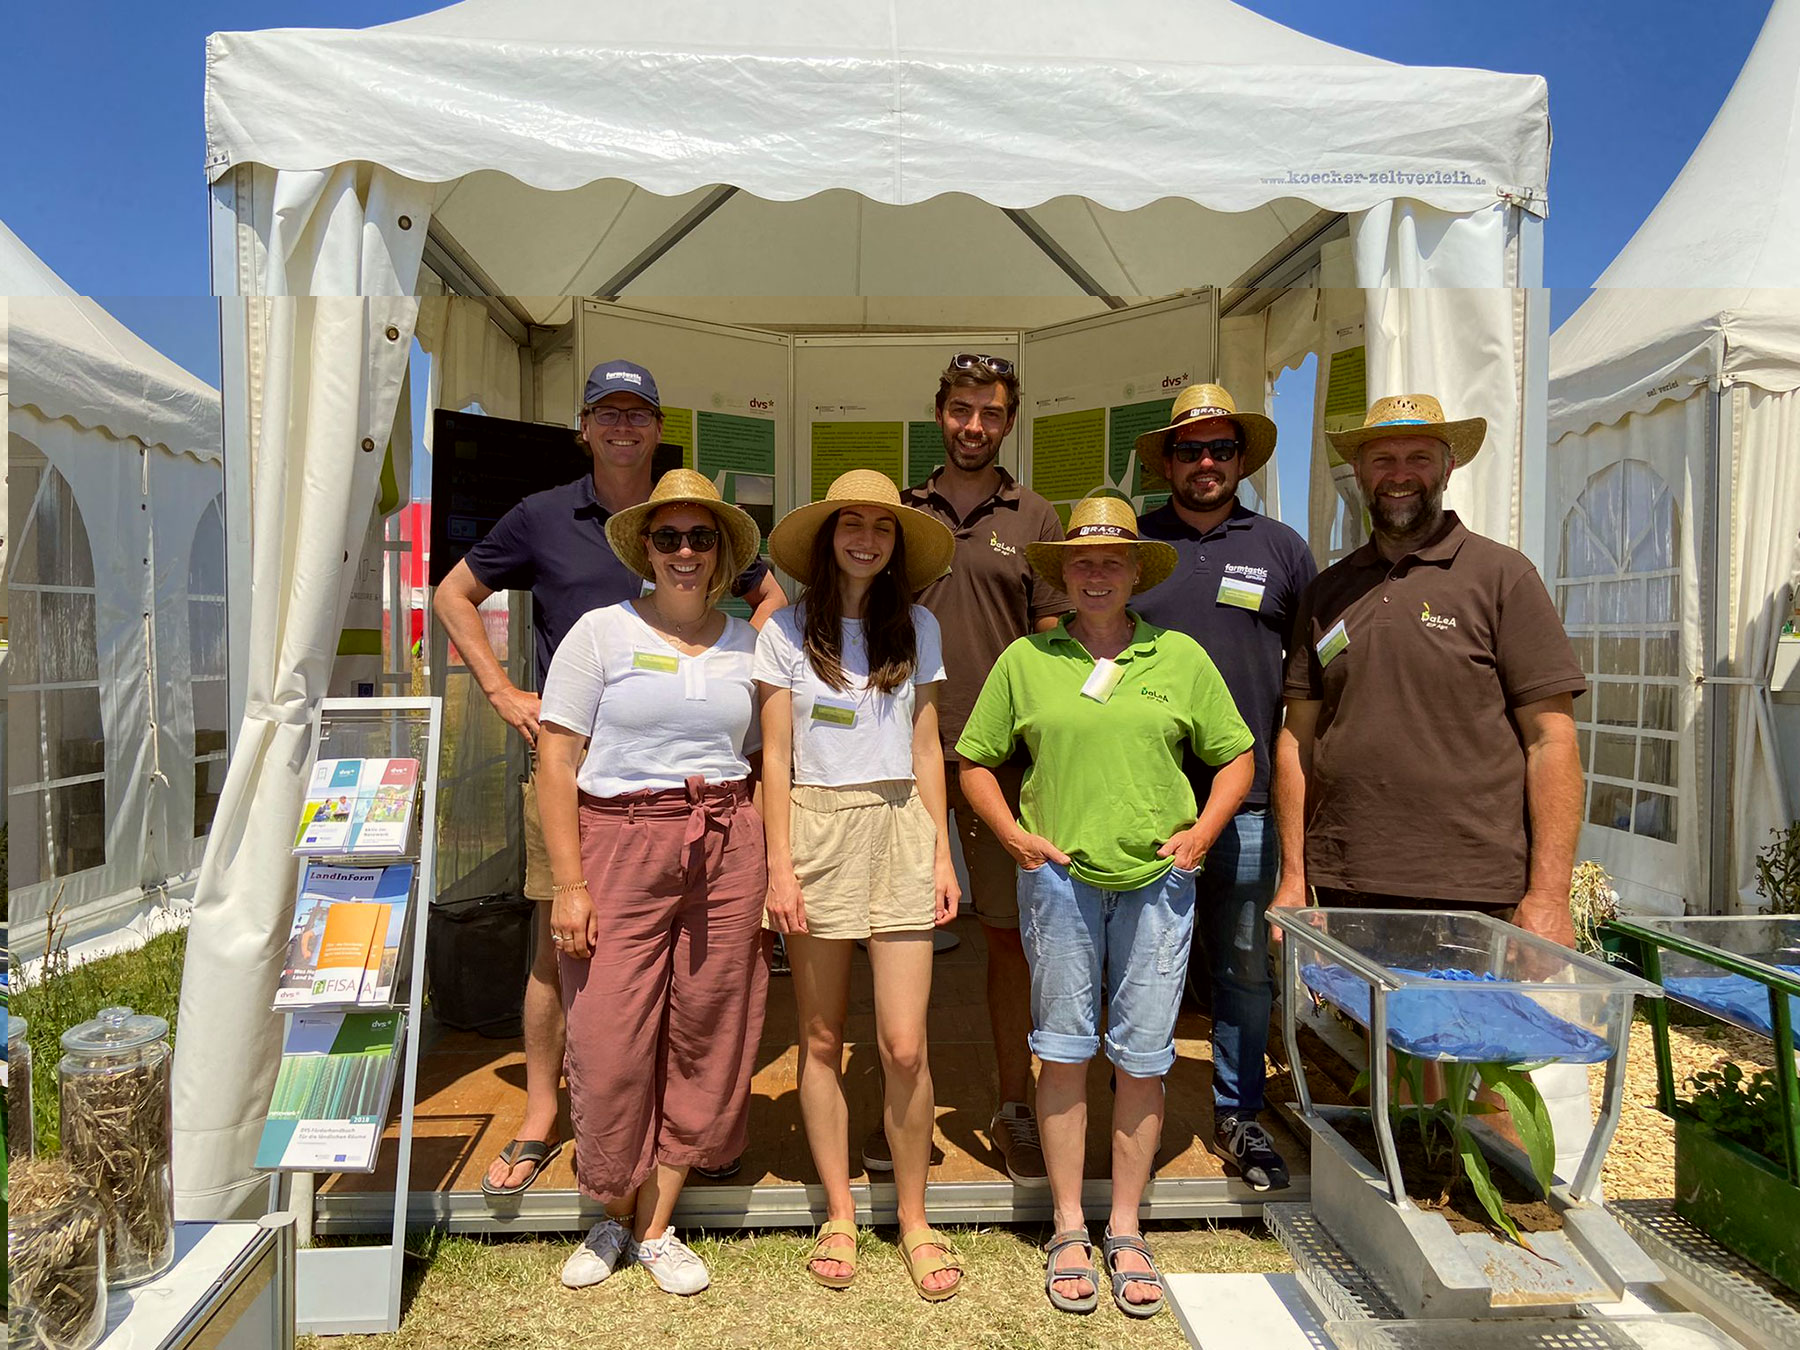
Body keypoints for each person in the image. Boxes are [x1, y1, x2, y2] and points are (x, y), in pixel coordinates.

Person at [433, 359, 786, 1196]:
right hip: (578, 767)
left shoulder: (690, 517)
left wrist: (746, 664)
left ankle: (673, 1130)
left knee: (693, 974)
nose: (624, 427)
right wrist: (499, 688)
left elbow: (772, 600)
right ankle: (544, 1117)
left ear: (659, 428)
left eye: (639, 414)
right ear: (584, 428)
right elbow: (453, 594)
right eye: (607, 413)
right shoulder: (543, 516)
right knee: (564, 946)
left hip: (690, 786)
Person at [956, 493, 1255, 1319]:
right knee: (1060, 1050)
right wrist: (1014, 835)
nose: (1096, 573)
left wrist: (1203, 831)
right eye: (1081, 561)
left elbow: (1235, 756)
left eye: (1111, 561)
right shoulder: (1027, 659)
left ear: (1134, 572)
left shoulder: (1181, 657)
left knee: (1143, 1059)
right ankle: (1066, 1225)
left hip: (1158, 885)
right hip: (1058, 882)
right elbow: (975, 759)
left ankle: (1124, 1228)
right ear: (1062, 574)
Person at [537, 470, 771, 1295]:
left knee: (709, 1023)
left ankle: (658, 1223)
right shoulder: (598, 633)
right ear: (645, 547)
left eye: (699, 538)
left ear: (721, 554)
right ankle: (609, 1204)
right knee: (606, 1033)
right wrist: (570, 883)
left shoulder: (751, 643)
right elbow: (556, 758)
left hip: (727, 837)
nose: (683, 552)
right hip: (620, 839)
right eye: (668, 537)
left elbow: (768, 756)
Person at [756, 470, 965, 1301]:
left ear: (898, 542)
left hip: (902, 828)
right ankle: (840, 1209)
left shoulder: (917, 625)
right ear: (826, 535)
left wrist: (943, 853)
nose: (867, 538)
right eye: (852, 522)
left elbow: (926, 749)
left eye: (883, 526)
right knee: (817, 1036)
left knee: (905, 1043)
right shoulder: (781, 632)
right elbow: (773, 754)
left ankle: (912, 1219)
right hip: (814, 825)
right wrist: (778, 863)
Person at [1274, 394, 1585, 941]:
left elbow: (1551, 741)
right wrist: (1295, 878)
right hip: (1346, 882)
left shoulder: (1502, 577)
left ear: (1448, 467)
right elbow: (1296, 739)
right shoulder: (1328, 591)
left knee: (1471, 1029)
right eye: (1382, 460)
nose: (1400, 475)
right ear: (1359, 471)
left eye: (1418, 458)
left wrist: (1549, 895)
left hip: (1475, 890)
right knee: (1355, 1029)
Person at [865, 351, 1066, 1189]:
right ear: (939, 413)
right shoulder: (899, 514)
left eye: (990, 412)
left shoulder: (1037, 515)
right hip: (897, 756)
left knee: (1009, 944)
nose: (974, 425)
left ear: (1009, 421)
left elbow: (1054, 641)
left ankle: (1012, 1105)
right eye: (960, 409)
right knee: (893, 935)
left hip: (999, 765)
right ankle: (896, 1106)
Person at [1132, 384, 1315, 1193]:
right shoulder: (1134, 545)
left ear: (1242, 459)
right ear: (1166, 460)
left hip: (1248, 804)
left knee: (1243, 969)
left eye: (1220, 450)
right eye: (1189, 449)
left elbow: (1312, 678)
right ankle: (1128, 1116)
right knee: (1136, 966)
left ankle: (1238, 1110)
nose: (1205, 463)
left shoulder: (1281, 549)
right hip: (1143, 799)